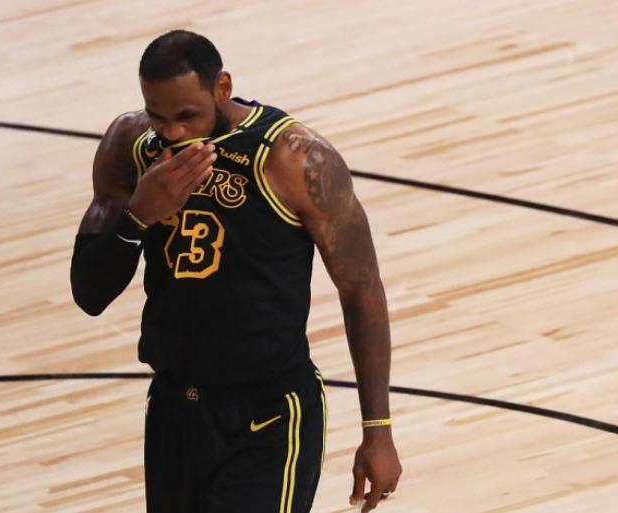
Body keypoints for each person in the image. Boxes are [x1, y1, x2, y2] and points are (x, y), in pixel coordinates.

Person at [70, 30, 401, 513]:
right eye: (159, 117)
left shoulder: (295, 158)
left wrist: (378, 430)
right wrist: (138, 216)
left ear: (222, 86)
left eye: (187, 115)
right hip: (174, 411)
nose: (174, 132)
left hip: (268, 414)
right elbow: (89, 292)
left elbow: (361, 289)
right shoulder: (132, 145)